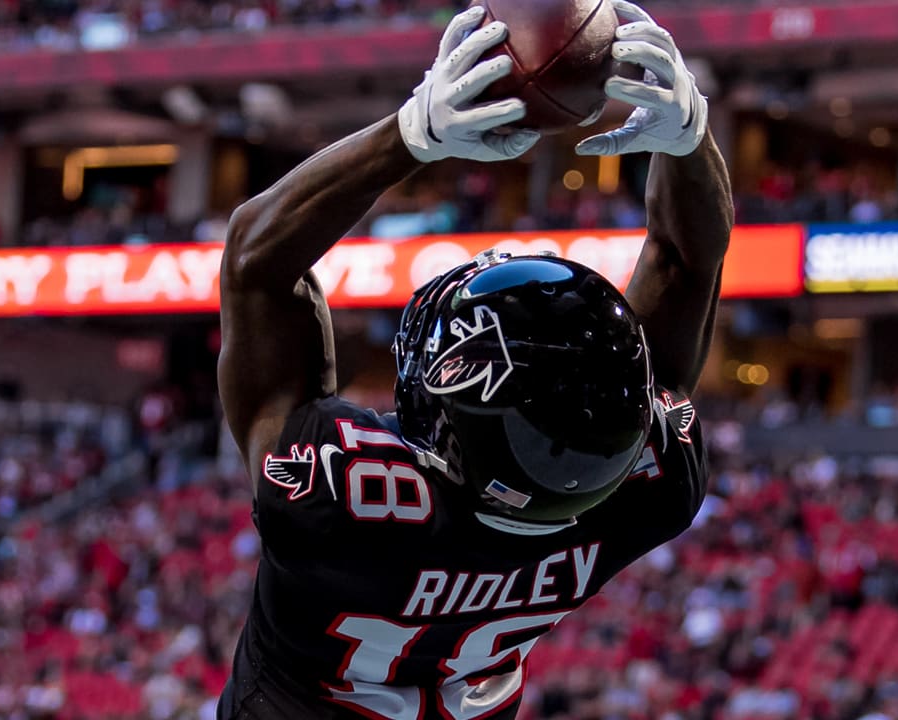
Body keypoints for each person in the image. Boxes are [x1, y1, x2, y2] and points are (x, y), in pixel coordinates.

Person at [214, 1, 732, 718]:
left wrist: (411, 134)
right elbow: (681, 261)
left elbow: (255, 262)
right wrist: (691, 144)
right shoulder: (648, 488)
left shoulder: (336, 501)